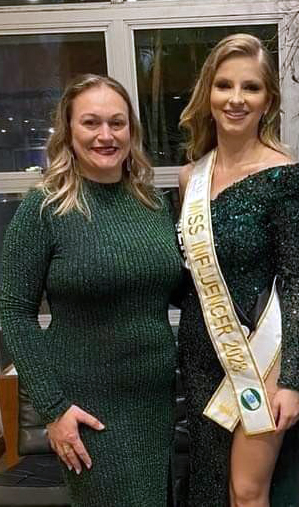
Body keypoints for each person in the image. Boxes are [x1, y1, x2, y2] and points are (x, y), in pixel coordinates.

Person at [0, 74, 183, 506]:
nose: (106, 135)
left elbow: (170, 289)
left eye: (117, 123)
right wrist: (54, 409)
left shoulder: (152, 204)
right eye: (91, 122)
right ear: (69, 130)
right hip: (87, 410)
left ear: (131, 131)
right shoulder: (45, 207)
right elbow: (13, 312)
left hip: (155, 402)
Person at [177, 33, 299, 506]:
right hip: (200, 353)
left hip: (262, 357)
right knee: (211, 487)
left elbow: (297, 280)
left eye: (250, 87)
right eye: (224, 85)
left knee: (247, 492)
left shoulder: (283, 174)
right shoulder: (190, 178)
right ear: (208, 94)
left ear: (267, 100)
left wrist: (292, 378)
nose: (236, 99)